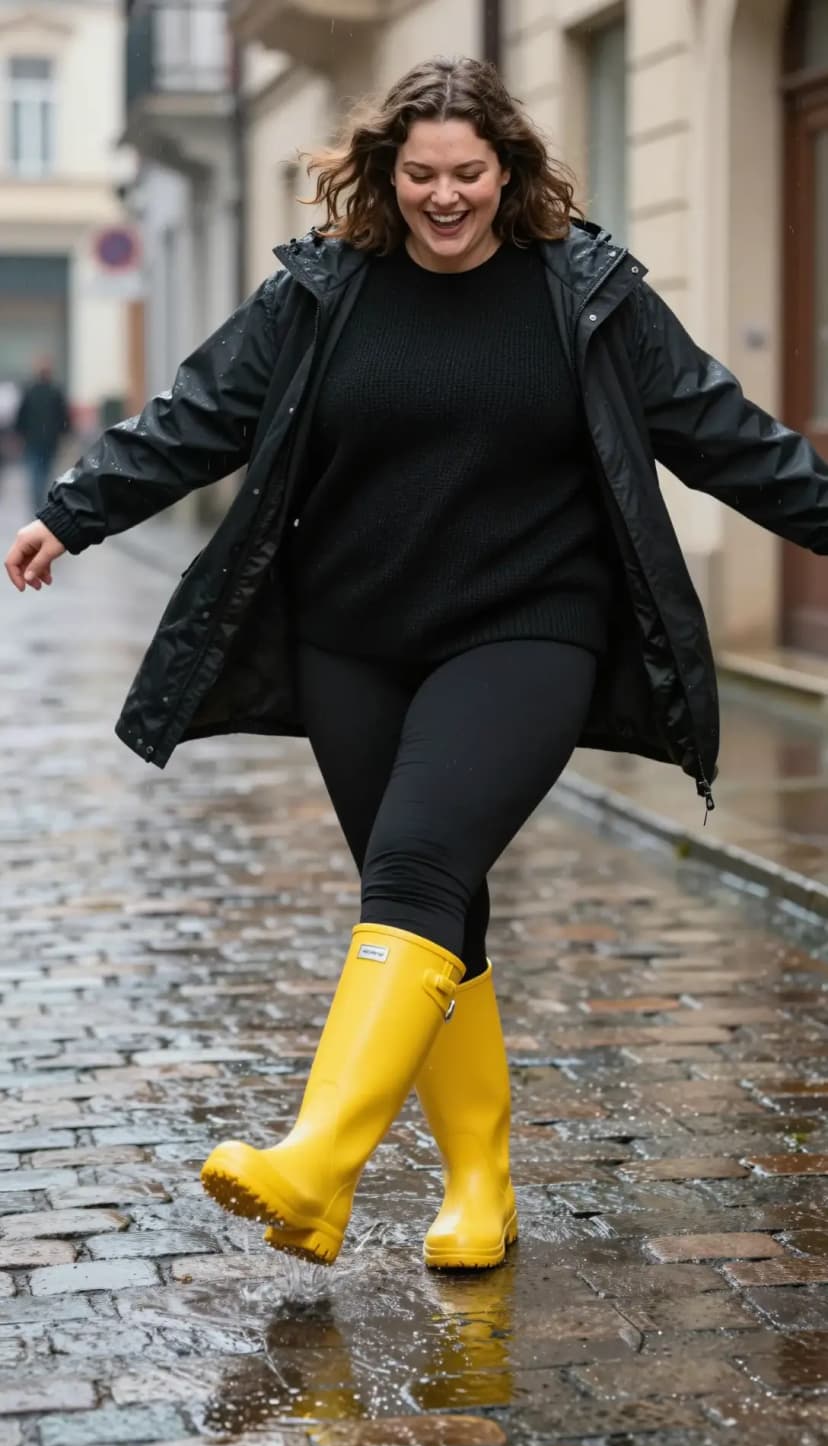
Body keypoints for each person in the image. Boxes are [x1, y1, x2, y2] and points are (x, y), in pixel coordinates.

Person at [5, 57, 828, 1271]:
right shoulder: (324, 292)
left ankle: (318, 1161)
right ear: (389, 175)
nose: (448, 197)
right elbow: (203, 411)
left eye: (471, 174)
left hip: (531, 628)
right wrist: (75, 510)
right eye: (424, 174)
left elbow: (725, 435)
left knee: (416, 861)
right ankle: (480, 1187)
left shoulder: (586, 295)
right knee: (436, 909)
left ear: (511, 173)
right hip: (354, 640)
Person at [13, 360, 70, 514]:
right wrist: (63, 435)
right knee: (45, 472)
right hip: (49, 441)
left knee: (35, 474)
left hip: (32, 440)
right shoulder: (55, 392)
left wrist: (19, 435)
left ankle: (37, 504)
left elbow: (20, 416)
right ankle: (43, 504)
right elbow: (64, 418)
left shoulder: (30, 391)